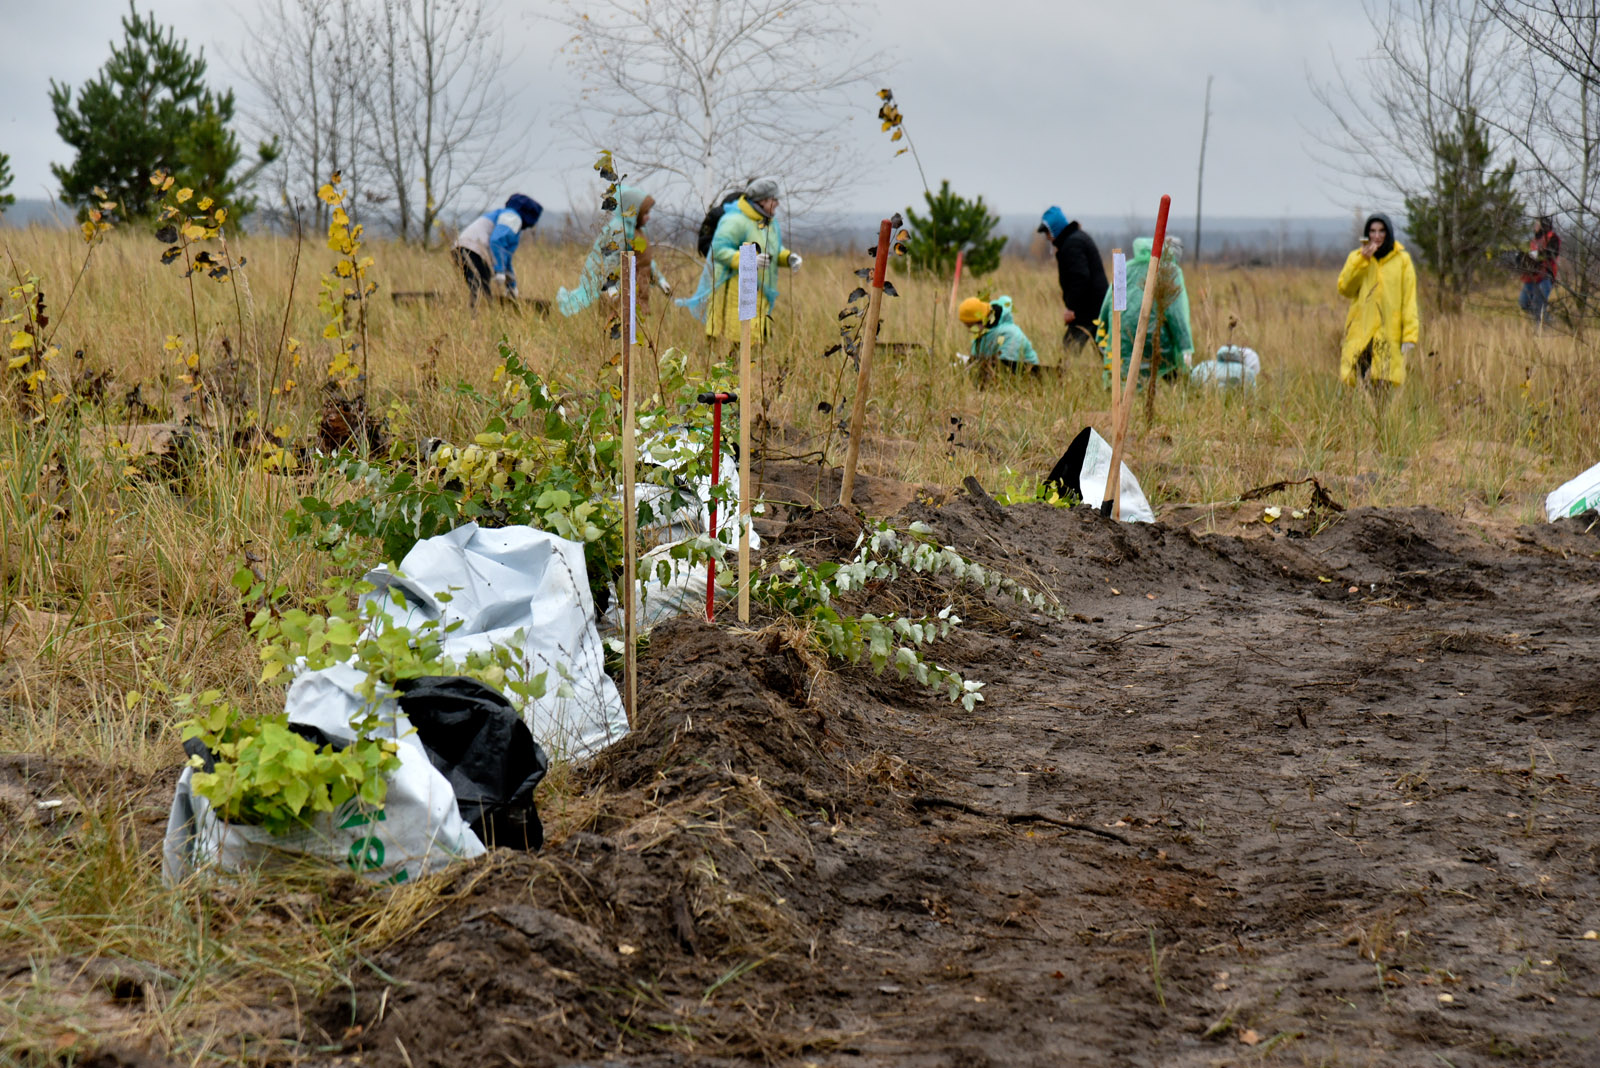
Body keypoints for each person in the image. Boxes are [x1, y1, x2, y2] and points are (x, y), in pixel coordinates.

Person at [678, 178, 801, 345]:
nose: (777, 204)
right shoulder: (736, 220)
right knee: (733, 345)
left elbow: (773, 250)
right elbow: (719, 250)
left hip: (758, 293)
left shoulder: (768, 223)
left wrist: (788, 257)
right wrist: (748, 260)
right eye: (774, 199)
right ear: (762, 200)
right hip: (732, 292)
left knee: (754, 345)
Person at [557, 185, 672, 317]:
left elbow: (646, 260)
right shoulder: (619, 229)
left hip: (637, 288)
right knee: (616, 325)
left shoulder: (639, 231)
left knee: (634, 329)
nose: (648, 217)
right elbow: (611, 258)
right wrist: (610, 286)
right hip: (619, 288)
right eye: (645, 213)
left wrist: (661, 280)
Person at [1336, 213, 1419, 394]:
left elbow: (1409, 300)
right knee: (1358, 384)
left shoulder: (1402, 261)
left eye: (1381, 231)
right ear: (1367, 234)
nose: (1377, 236)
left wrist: (1409, 335)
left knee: (1382, 388)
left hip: (1389, 334)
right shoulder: (1356, 257)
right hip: (1362, 333)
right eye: (1372, 231)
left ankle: (1381, 421)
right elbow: (1345, 289)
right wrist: (1362, 262)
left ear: (1388, 233)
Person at [1095, 235, 1192, 387]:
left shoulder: (1125, 268)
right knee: (1167, 381)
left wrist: (1102, 332)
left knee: (1121, 384)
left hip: (1121, 338)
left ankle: (1124, 404)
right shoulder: (1171, 272)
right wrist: (1185, 347)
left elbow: (1108, 304)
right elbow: (1176, 315)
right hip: (1155, 341)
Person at [452, 194, 542, 306]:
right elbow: (496, 241)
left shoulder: (505, 216)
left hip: (461, 248)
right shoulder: (512, 218)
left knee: (477, 289)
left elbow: (506, 259)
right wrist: (499, 271)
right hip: (474, 250)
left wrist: (511, 286)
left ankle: (476, 316)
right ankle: (477, 319)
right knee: (481, 291)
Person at [1039, 206, 1108, 349]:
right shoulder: (1075, 239)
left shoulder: (1072, 244)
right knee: (1105, 349)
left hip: (1088, 308)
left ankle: (1068, 371)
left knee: (1069, 349)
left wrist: (1071, 308)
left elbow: (1080, 278)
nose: (1046, 237)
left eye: (1047, 231)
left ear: (1054, 228)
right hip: (1095, 306)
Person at [957, 295, 1039, 371]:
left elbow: (1005, 367)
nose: (970, 330)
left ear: (982, 320)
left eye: (970, 326)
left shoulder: (1010, 334)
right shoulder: (983, 333)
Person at [1519, 215, 1560, 326]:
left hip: (1545, 276)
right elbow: (1526, 256)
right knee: (1523, 302)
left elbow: (1551, 253)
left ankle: (1542, 328)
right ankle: (1546, 319)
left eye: (1537, 224)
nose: (1534, 226)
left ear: (1543, 226)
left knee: (1539, 304)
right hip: (1531, 276)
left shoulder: (1552, 238)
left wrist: (1533, 255)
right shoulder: (1533, 240)